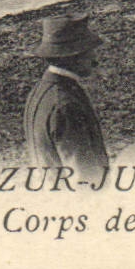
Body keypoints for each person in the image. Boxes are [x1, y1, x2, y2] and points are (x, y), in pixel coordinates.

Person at [23, 13, 109, 186]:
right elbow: (84, 179)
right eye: (89, 52)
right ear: (74, 56)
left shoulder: (40, 91)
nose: (95, 59)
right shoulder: (66, 104)